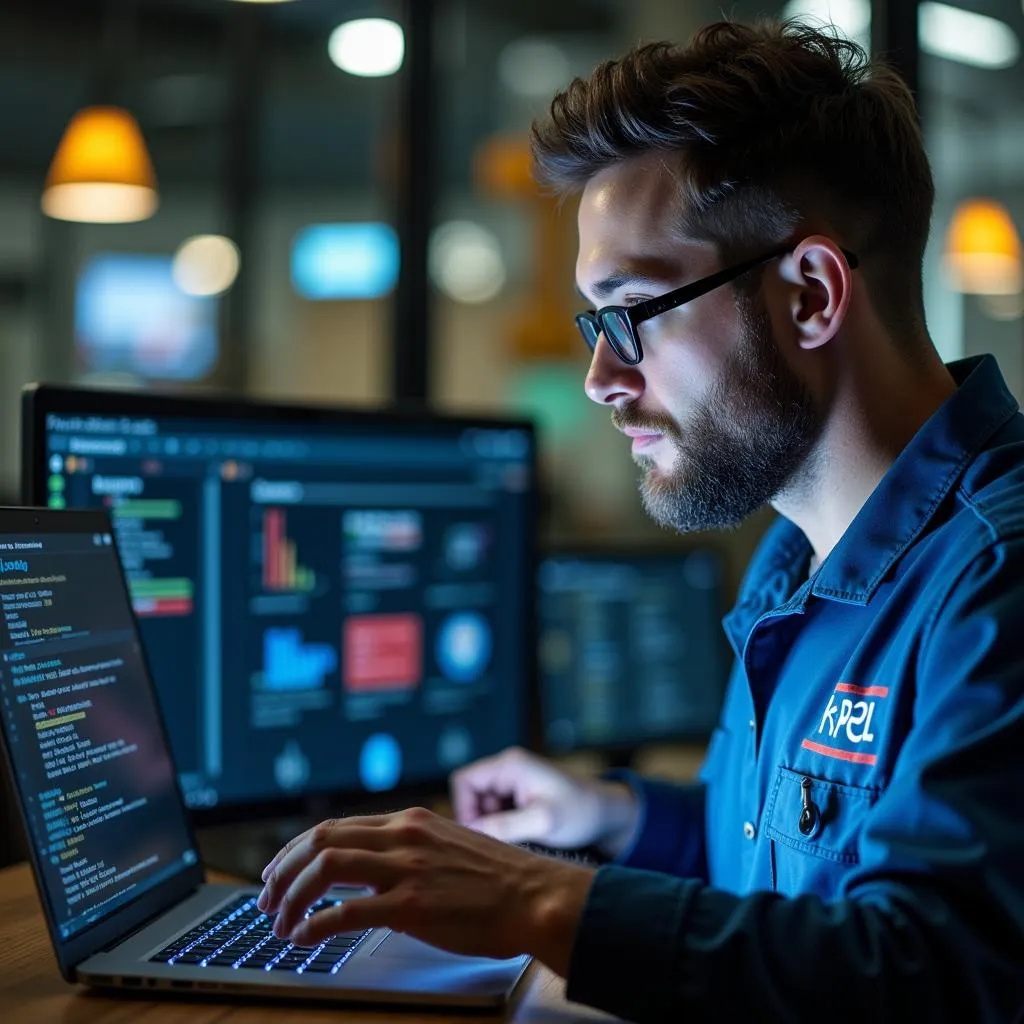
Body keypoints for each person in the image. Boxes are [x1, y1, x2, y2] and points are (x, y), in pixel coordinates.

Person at [256, 18, 1024, 1021]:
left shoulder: (995, 576)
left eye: (630, 313)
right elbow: (772, 865)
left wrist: (537, 894)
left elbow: (933, 970)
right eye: (592, 322)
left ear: (810, 294)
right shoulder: (792, 559)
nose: (600, 378)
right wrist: (608, 818)